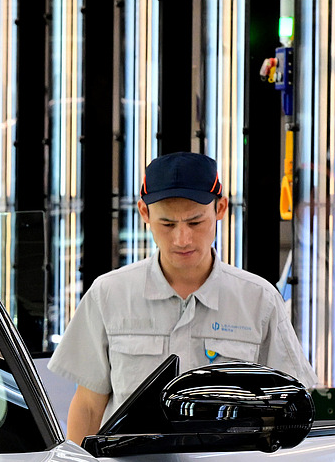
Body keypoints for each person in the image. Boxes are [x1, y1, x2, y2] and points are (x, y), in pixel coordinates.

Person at [50, 151, 310, 441]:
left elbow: (290, 403)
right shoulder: (108, 295)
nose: (182, 239)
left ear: (221, 208)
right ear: (144, 213)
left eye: (195, 223)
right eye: (168, 224)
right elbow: (88, 406)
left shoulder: (259, 300)